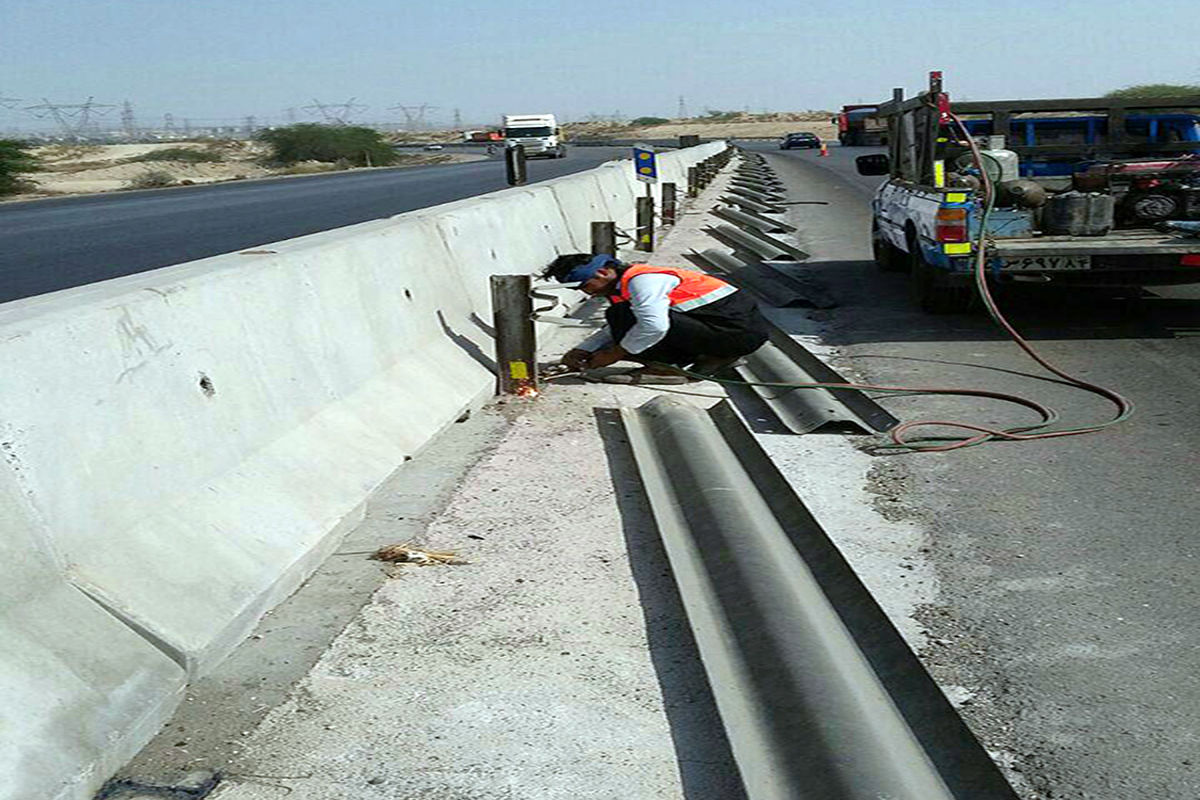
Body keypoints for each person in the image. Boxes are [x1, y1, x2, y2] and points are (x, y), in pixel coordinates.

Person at [542, 253, 769, 384]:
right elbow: (619, 326)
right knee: (622, 316)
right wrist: (585, 348)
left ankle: (667, 369)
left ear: (601, 273)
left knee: (626, 317)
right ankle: (710, 356)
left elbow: (653, 326)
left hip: (737, 334)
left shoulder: (643, 282)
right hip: (729, 330)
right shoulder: (627, 283)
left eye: (586, 286)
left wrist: (613, 354)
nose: (587, 293)